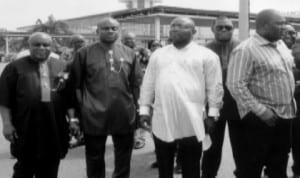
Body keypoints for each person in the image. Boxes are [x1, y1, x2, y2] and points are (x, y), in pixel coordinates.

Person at [139, 16, 223, 178]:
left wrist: (213, 115)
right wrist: (144, 110)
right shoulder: (158, 55)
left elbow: (215, 88)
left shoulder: (207, 56)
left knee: (191, 166)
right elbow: (148, 84)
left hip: (192, 118)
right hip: (162, 117)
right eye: (172, 26)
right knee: (164, 165)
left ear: (194, 32)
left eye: (181, 26)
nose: (175, 29)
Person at [67, 17, 142, 178]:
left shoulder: (130, 53)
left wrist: (139, 108)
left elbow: (135, 84)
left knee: (124, 155)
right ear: (97, 31)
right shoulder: (83, 53)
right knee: (94, 155)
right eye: (105, 28)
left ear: (119, 31)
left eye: (114, 28)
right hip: (94, 112)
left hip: (124, 111)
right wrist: (79, 113)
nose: (110, 31)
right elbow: (76, 86)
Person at [227, 9, 296, 178]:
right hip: (259, 119)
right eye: (279, 23)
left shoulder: (281, 45)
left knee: (279, 163)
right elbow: (235, 85)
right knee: (252, 165)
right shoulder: (246, 50)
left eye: (284, 22)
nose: (284, 27)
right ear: (263, 26)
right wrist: (261, 111)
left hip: (285, 115)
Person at [0, 32, 69, 178]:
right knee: (24, 168)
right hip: (25, 125)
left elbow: (70, 98)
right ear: (29, 46)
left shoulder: (62, 66)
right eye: (37, 44)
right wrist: (7, 124)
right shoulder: (14, 67)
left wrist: (74, 120)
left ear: (52, 46)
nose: (41, 48)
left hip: (54, 125)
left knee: (50, 168)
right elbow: (4, 99)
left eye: (46, 45)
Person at [201, 16, 244, 178]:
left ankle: (242, 173)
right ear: (213, 29)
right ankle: (208, 175)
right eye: (220, 27)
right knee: (212, 147)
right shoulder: (204, 51)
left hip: (239, 105)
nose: (224, 30)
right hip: (212, 107)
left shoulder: (243, 48)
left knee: (241, 147)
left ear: (234, 29)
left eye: (228, 27)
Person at [121, 31, 146, 149]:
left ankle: (140, 138)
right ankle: (131, 137)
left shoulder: (142, 52)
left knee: (140, 111)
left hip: (141, 86)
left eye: (131, 39)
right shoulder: (119, 52)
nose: (129, 41)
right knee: (128, 114)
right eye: (126, 39)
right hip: (125, 88)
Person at [281, 24, 300, 178]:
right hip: (278, 106)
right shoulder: (270, 51)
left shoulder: (298, 50)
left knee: (299, 142)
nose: (289, 35)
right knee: (280, 145)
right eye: (285, 32)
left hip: (298, 104)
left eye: (292, 33)